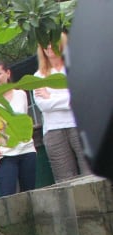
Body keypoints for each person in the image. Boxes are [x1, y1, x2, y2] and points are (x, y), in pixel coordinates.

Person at [33, 33, 92, 183]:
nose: (49, 47)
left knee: (91, 172)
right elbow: (43, 105)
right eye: (45, 44)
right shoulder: (38, 76)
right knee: (65, 180)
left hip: (80, 125)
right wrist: (67, 97)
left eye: (52, 42)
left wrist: (50, 97)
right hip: (53, 131)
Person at [0, 59, 37, 196]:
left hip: (26, 150)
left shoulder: (20, 94)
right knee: (8, 196)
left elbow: (23, 120)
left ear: (7, 73)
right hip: (5, 154)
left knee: (30, 194)